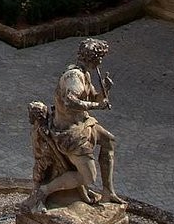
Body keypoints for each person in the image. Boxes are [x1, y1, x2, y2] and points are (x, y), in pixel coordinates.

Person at [24, 38, 121, 211]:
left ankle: (108, 191)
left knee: (109, 141)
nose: (101, 62)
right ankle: (44, 191)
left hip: (83, 123)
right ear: (94, 58)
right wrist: (97, 106)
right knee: (89, 177)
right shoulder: (74, 77)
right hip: (70, 133)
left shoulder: (85, 74)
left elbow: (91, 98)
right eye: (100, 58)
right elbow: (71, 101)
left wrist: (104, 91)